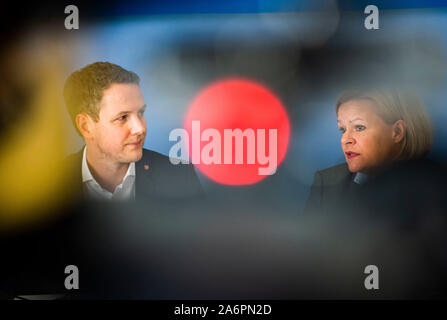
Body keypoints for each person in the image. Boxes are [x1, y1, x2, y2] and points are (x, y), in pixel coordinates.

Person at [63, 61, 202, 202]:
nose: (140, 128)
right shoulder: (50, 186)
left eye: (141, 113)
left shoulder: (180, 178)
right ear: (86, 126)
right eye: (122, 117)